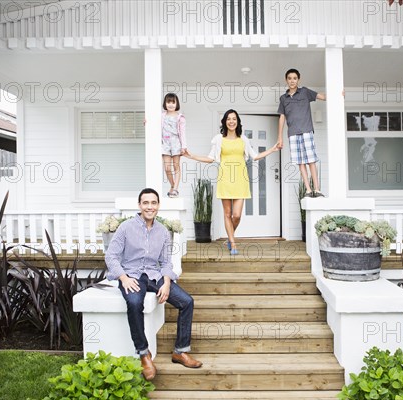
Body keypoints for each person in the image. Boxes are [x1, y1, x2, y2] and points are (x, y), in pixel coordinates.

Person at [105, 188, 202, 381]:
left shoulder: (163, 231)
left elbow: (166, 262)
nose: (150, 206)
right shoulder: (125, 227)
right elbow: (111, 256)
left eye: (153, 203)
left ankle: (180, 351)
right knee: (134, 303)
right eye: (146, 203)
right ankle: (143, 353)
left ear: (158, 206)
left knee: (186, 301)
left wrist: (166, 283)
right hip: (131, 275)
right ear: (140, 205)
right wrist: (123, 278)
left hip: (154, 275)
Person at [184, 109, 278, 255]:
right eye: (228, 119)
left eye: (234, 119)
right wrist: (192, 156)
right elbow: (211, 158)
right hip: (225, 179)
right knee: (227, 214)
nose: (231, 121)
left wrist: (272, 149)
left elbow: (255, 156)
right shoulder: (218, 139)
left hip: (241, 180)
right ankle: (233, 244)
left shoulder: (244, 140)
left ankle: (229, 237)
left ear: (238, 122)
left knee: (237, 215)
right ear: (225, 122)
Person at [276, 68, 326, 198]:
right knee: (300, 162)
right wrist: (280, 137)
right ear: (286, 80)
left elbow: (323, 97)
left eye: (294, 78)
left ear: (298, 79)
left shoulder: (305, 92)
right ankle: (308, 190)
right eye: (289, 78)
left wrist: (338, 95)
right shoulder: (283, 98)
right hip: (292, 133)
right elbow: (282, 117)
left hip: (306, 131)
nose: (292, 81)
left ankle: (317, 189)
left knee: (311, 160)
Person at [161, 93, 187, 198]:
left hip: (176, 143)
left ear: (176, 104)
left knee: (176, 166)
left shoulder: (180, 117)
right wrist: (146, 122)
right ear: (165, 103)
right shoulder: (162, 115)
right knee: (167, 168)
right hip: (165, 143)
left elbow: (183, 132)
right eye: (168, 102)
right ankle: (172, 185)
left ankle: (175, 189)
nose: (171, 105)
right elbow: (153, 123)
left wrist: (184, 146)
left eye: (173, 102)